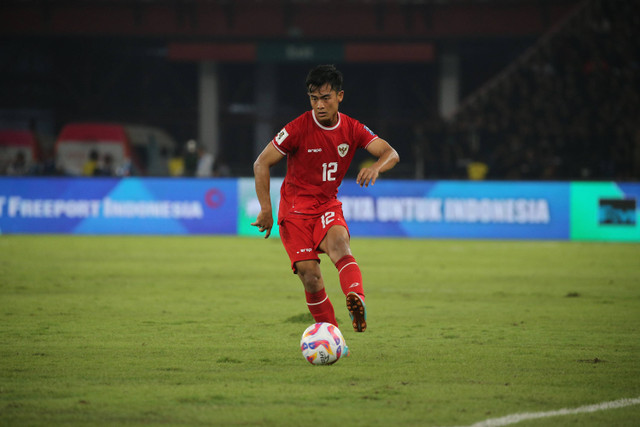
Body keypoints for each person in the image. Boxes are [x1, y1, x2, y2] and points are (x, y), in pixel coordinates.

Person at [252, 65, 399, 333]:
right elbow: (261, 163)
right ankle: (333, 335)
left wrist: (376, 167)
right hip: (294, 212)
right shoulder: (296, 128)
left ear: (340, 96)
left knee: (340, 244)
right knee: (311, 276)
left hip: (326, 205)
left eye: (326, 98)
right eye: (313, 98)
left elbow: (391, 152)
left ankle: (357, 301)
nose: (319, 105)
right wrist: (265, 209)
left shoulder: (353, 129)